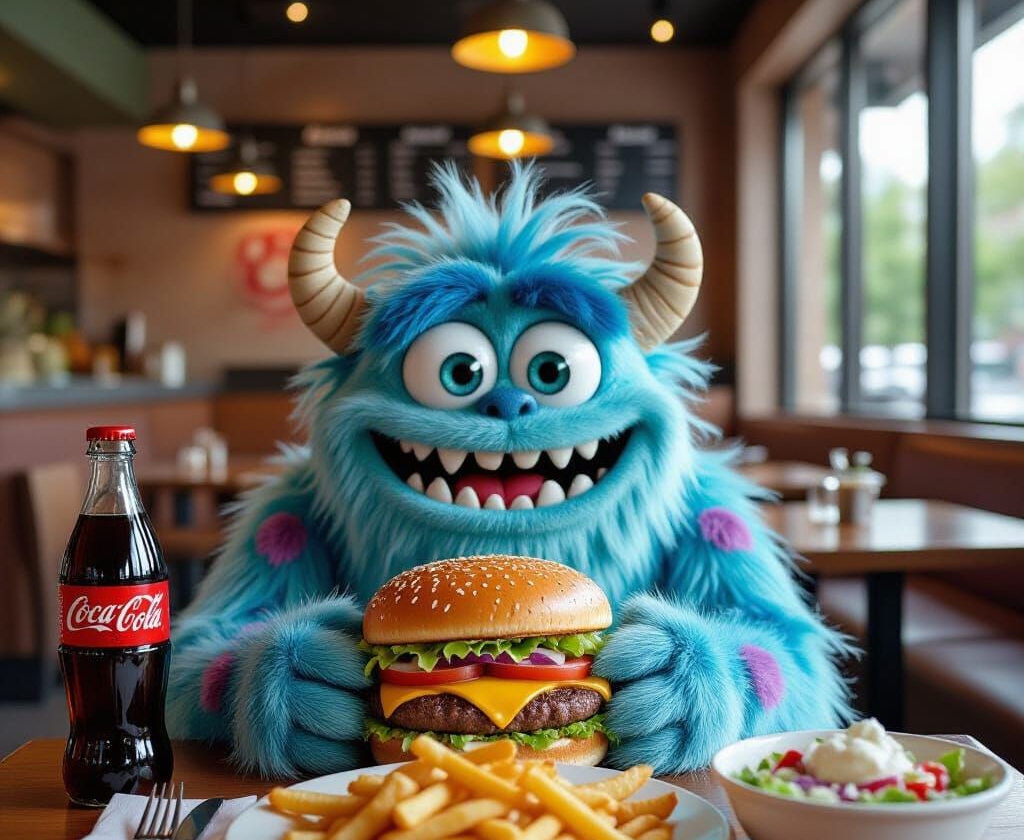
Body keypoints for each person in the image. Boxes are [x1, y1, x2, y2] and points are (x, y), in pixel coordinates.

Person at [167, 163, 850, 776]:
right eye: (455, 372)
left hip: (635, 807)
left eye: (553, 371)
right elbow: (181, 669)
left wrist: (717, 680)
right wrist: (261, 683)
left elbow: (803, 674)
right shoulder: (303, 506)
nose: (507, 404)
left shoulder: (698, 505)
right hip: (391, 788)